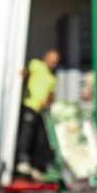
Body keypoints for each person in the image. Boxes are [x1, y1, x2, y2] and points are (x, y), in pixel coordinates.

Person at [16, 48, 60, 179]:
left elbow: (52, 95)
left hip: (40, 111)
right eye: (52, 60)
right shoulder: (36, 64)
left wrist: (48, 101)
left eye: (56, 62)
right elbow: (24, 72)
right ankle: (21, 160)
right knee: (26, 134)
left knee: (39, 138)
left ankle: (34, 164)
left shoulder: (52, 77)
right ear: (45, 57)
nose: (53, 63)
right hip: (29, 105)